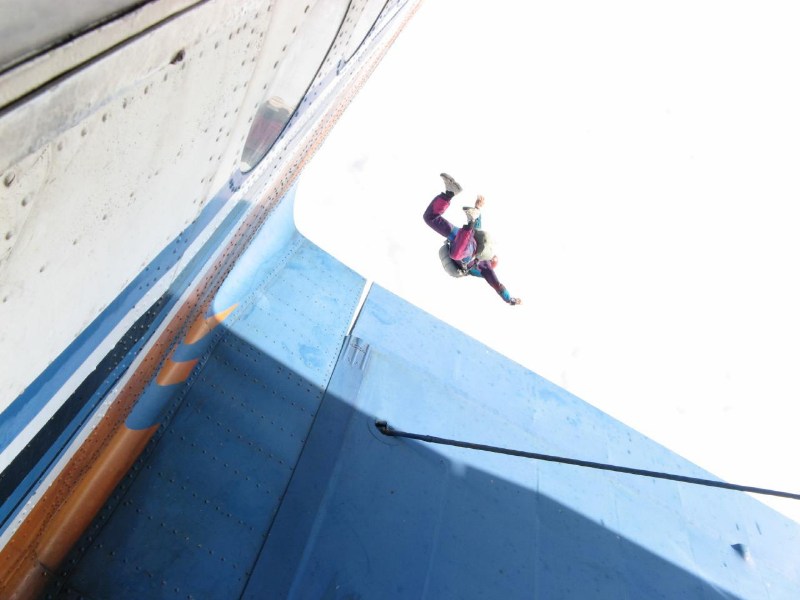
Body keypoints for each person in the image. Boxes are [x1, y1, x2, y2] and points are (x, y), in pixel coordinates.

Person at [423, 173, 522, 306]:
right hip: (466, 245)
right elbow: (498, 286)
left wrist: (478, 209)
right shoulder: (486, 268)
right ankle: (465, 214)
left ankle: (450, 192)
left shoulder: (480, 268)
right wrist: (509, 299)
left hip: (459, 238)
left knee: (430, 218)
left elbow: (478, 228)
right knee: (457, 254)